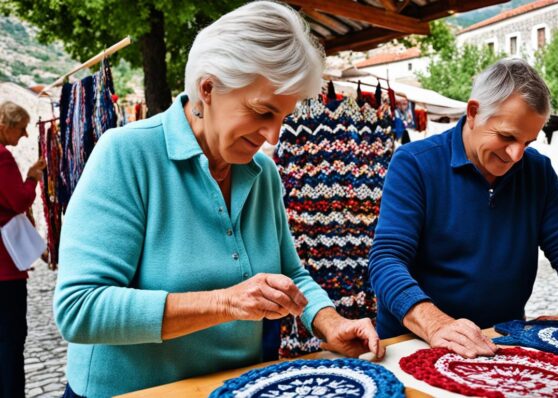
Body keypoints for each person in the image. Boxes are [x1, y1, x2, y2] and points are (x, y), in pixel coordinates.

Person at [54, 3, 383, 397]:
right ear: (207, 88)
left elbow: (291, 276)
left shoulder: (262, 175)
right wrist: (226, 303)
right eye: (262, 111)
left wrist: (329, 322)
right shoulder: (127, 154)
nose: (274, 136)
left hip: (230, 388)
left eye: (283, 116)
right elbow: (80, 309)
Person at [369, 58, 558, 359]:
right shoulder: (415, 163)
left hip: (500, 342)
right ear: (474, 113)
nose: (516, 155)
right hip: (413, 341)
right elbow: (386, 259)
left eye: (527, 142)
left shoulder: (537, 170)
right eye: (507, 136)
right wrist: (434, 323)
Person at [0, 101, 46, 398]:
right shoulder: (2, 157)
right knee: (11, 339)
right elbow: (17, 201)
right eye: (21, 128)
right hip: (5, 268)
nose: (26, 135)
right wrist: (32, 178)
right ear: (5, 126)